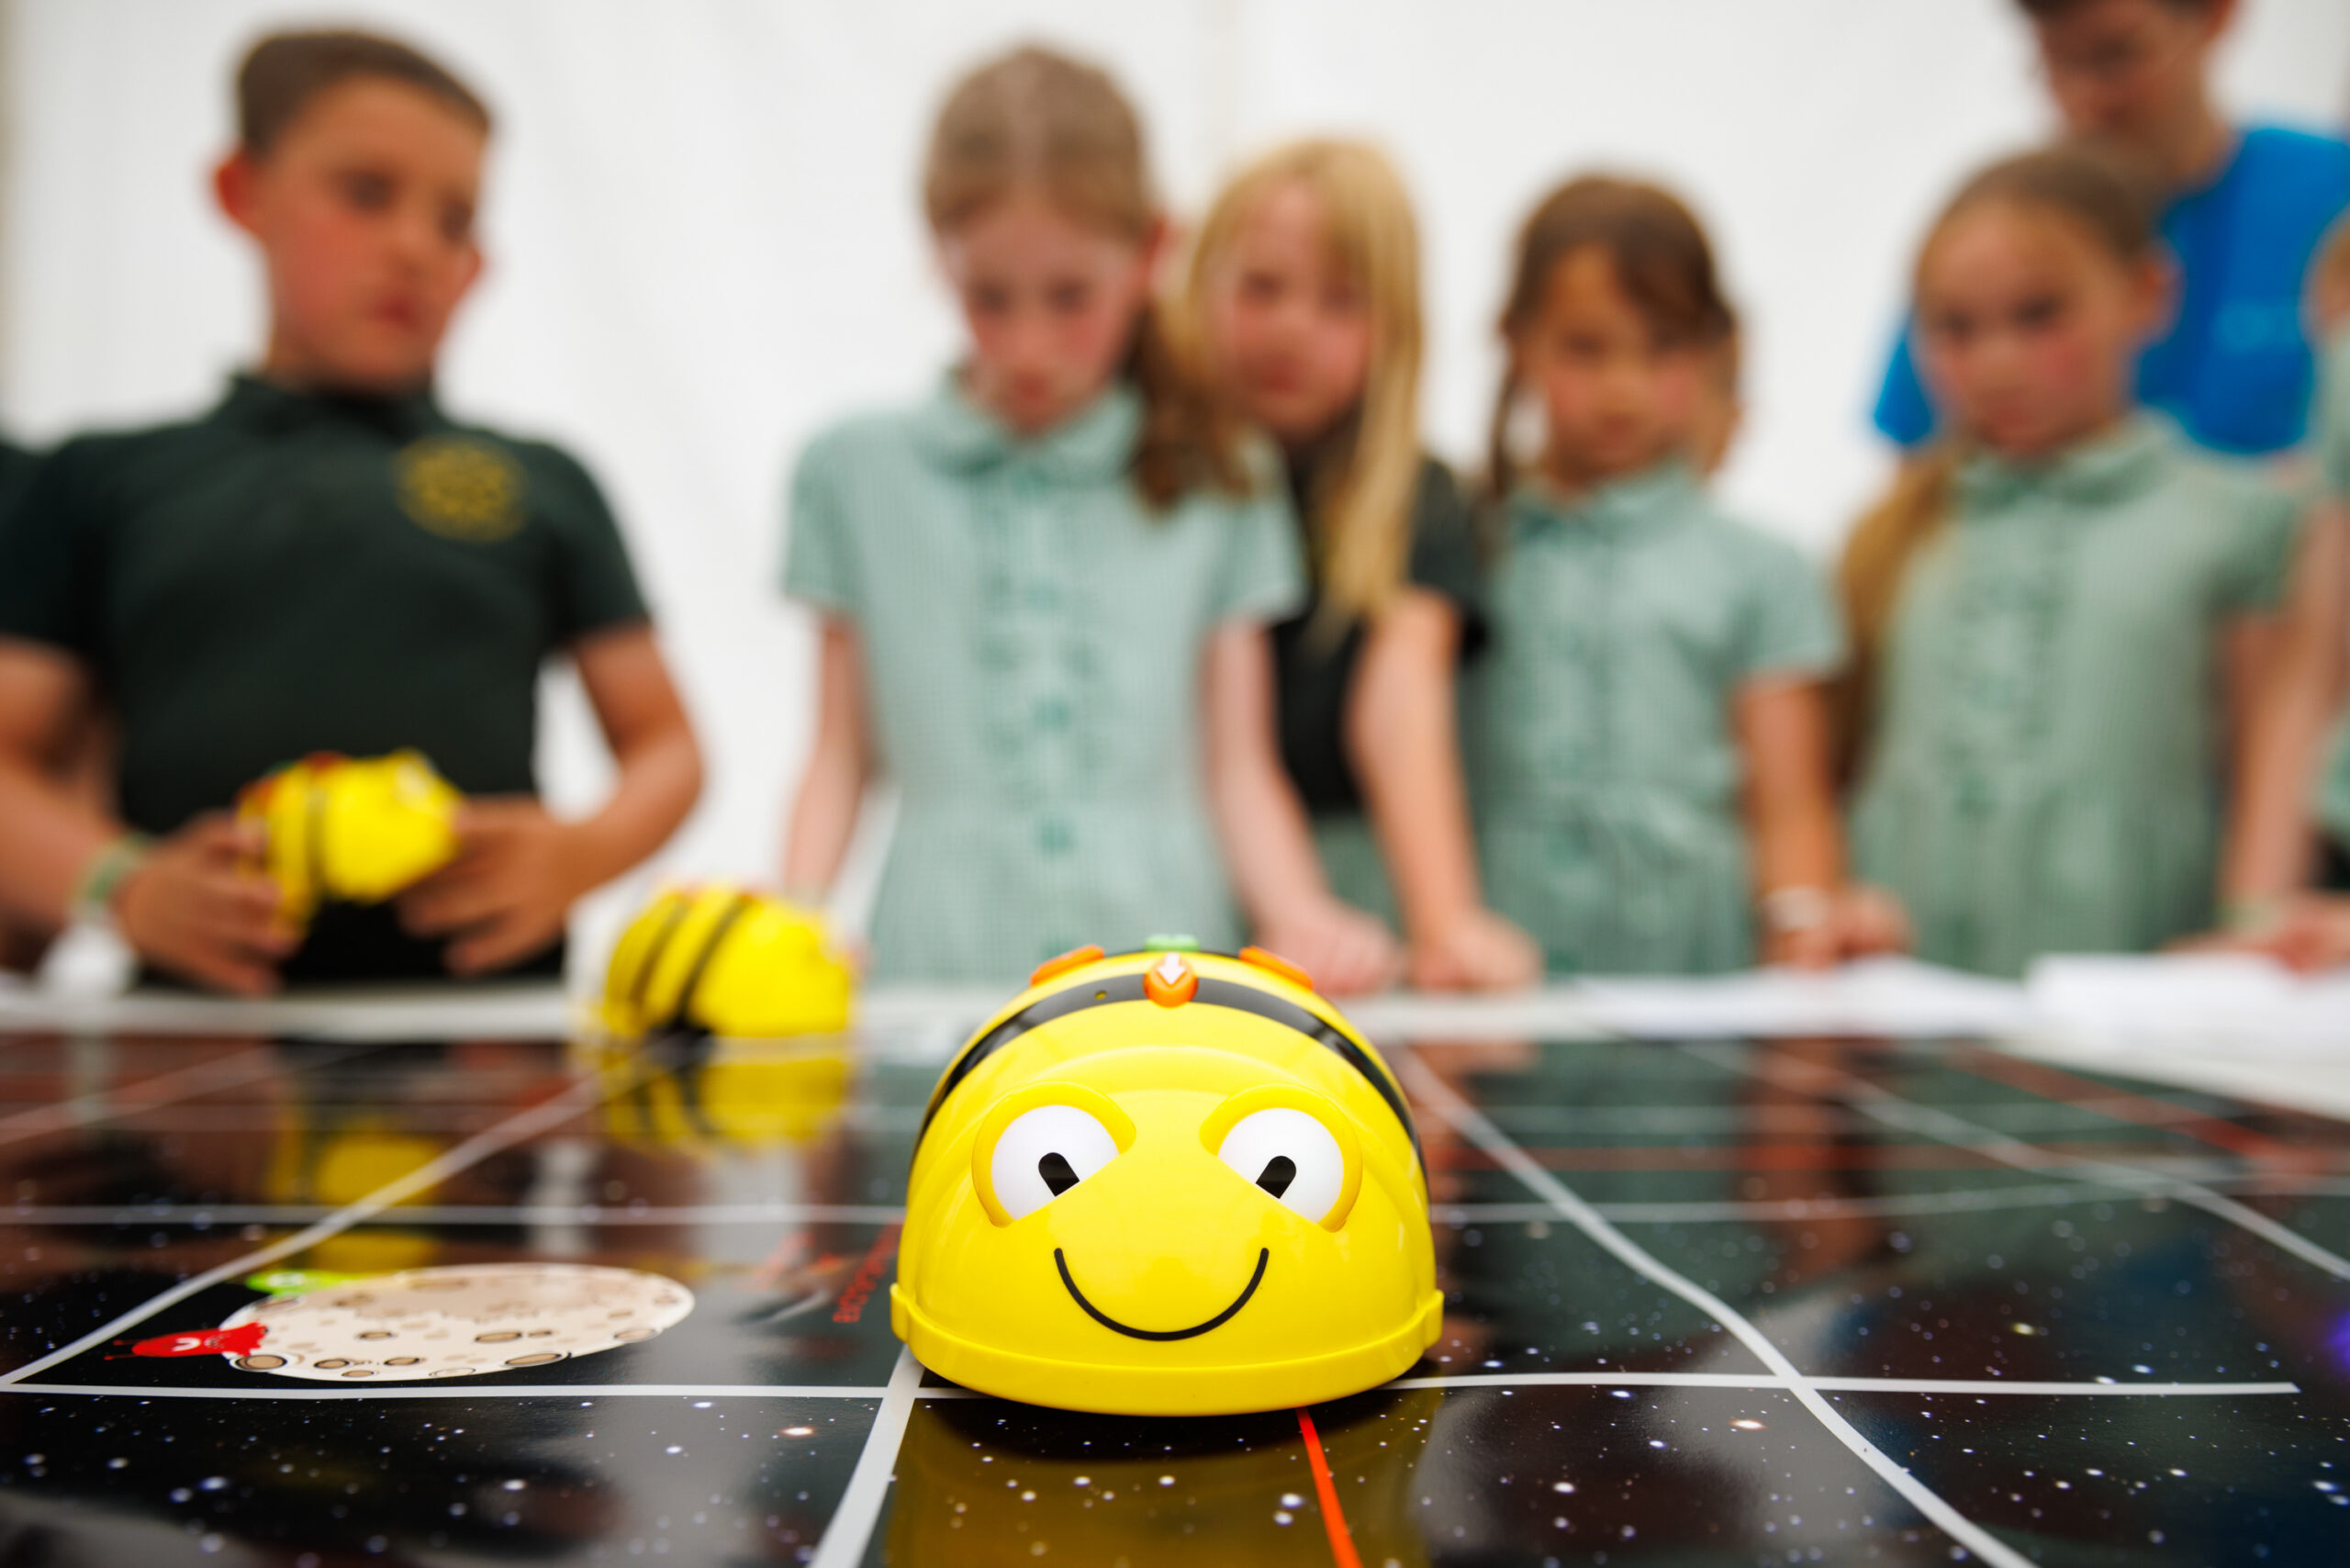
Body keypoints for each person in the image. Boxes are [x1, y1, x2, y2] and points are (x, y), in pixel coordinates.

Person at [0, 30, 701, 994]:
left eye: (455, 220)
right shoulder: (99, 480)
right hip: (193, 1039)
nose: (414, 246)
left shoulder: (543, 481)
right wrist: (125, 886)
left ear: (478, 265)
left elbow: (666, 743)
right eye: (366, 193)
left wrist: (581, 852)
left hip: (489, 1037)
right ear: (243, 193)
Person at [778, 47, 1393, 991]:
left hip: (1166, 954)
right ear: (938, 254)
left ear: (1150, 254)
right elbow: (838, 753)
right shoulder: (851, 472)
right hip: (941, 953)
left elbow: (1237, 765)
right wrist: (794, 915)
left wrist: (1297, 911)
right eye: (989, 298)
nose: (1029, 347)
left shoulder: (1224, 473)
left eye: (1070, 298)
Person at [1842, 144, 2302, 978]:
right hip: (1908, 1005)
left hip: (2133, 997)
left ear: (2147, 294)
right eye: (1955, 327)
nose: (1996, 362)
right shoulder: (1890, 533)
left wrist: (2250, 941)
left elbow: (2272, 764)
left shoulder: (2239, 521)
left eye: (2039, 315)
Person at [1471, 176, 1901, 975]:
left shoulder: (1764, 568)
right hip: (1499, 964)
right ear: (1516, 342)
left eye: (1661, 346)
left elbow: (1789, 803)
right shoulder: (1466, 547)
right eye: (1586, 348)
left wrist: (1801, 927)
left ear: (1710, 351)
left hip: (1696, 971)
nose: (1622, 387)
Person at [1180, 139, 1538, 991]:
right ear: (1200, 285)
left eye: (1339, 302)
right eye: (1263, 288)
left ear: (1394, 331)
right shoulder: (1170, 483)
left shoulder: (1419, 496)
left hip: (1344, 896)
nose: (1292, 327)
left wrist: (1443, 919)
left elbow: (1399, 711)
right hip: (1180, 868)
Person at [1872, 0, 2350, 459]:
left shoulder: (2331, 193)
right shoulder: (1996, 236)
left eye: (2116, 55)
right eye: (2056, 61)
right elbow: (1920, 482)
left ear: (2217, 13)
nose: (2085, 98)